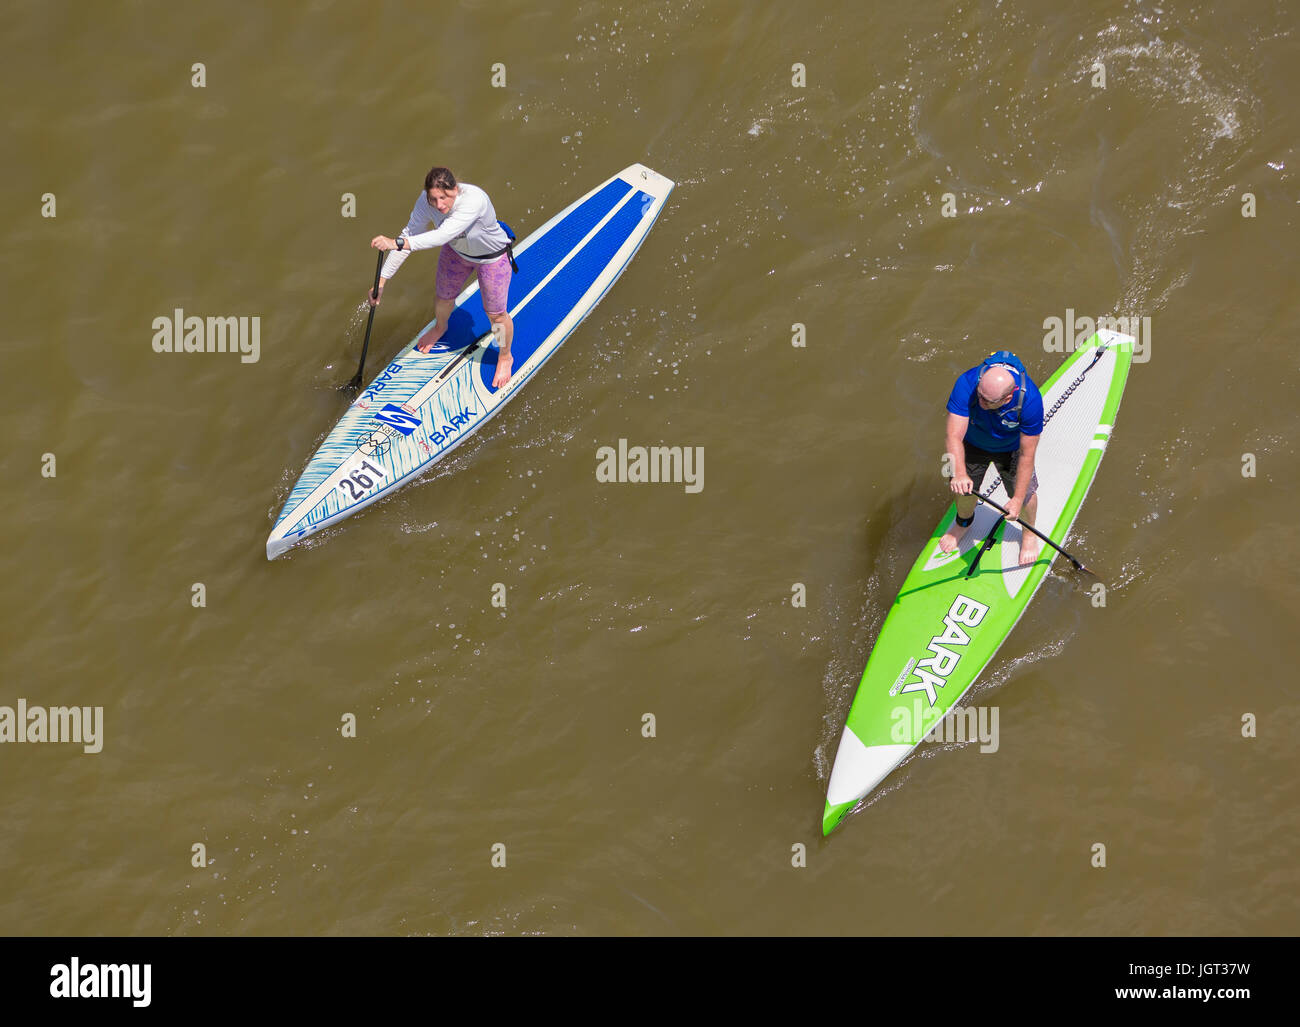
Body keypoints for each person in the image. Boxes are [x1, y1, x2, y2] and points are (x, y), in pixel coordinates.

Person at [369, 166, 516, 388]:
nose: (438, 205)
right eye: (433, 199)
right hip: (457, 252)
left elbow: (441, 235)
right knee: (443, 297)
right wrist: (381, 280)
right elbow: (410, 234)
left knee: (495, 315)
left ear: (455, 189)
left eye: (444, 197)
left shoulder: (473, 200)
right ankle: (440, 327)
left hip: (491, 258)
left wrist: (395, 243)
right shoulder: (425, 201)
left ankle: (505, 356)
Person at [939, 351, 1045, 564]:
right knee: (959, 486)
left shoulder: (1031, 401)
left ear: (1008, 398)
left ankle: (1029, 533)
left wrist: (1016, 499)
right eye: (979, 395)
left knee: (1025, 495)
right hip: (971, 442)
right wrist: (959, 473)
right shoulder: (967, 383)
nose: (980, 403)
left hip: (1012, 449)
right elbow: (952, 436)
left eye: (987, 401)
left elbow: (1027, 455)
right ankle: (963, 522)